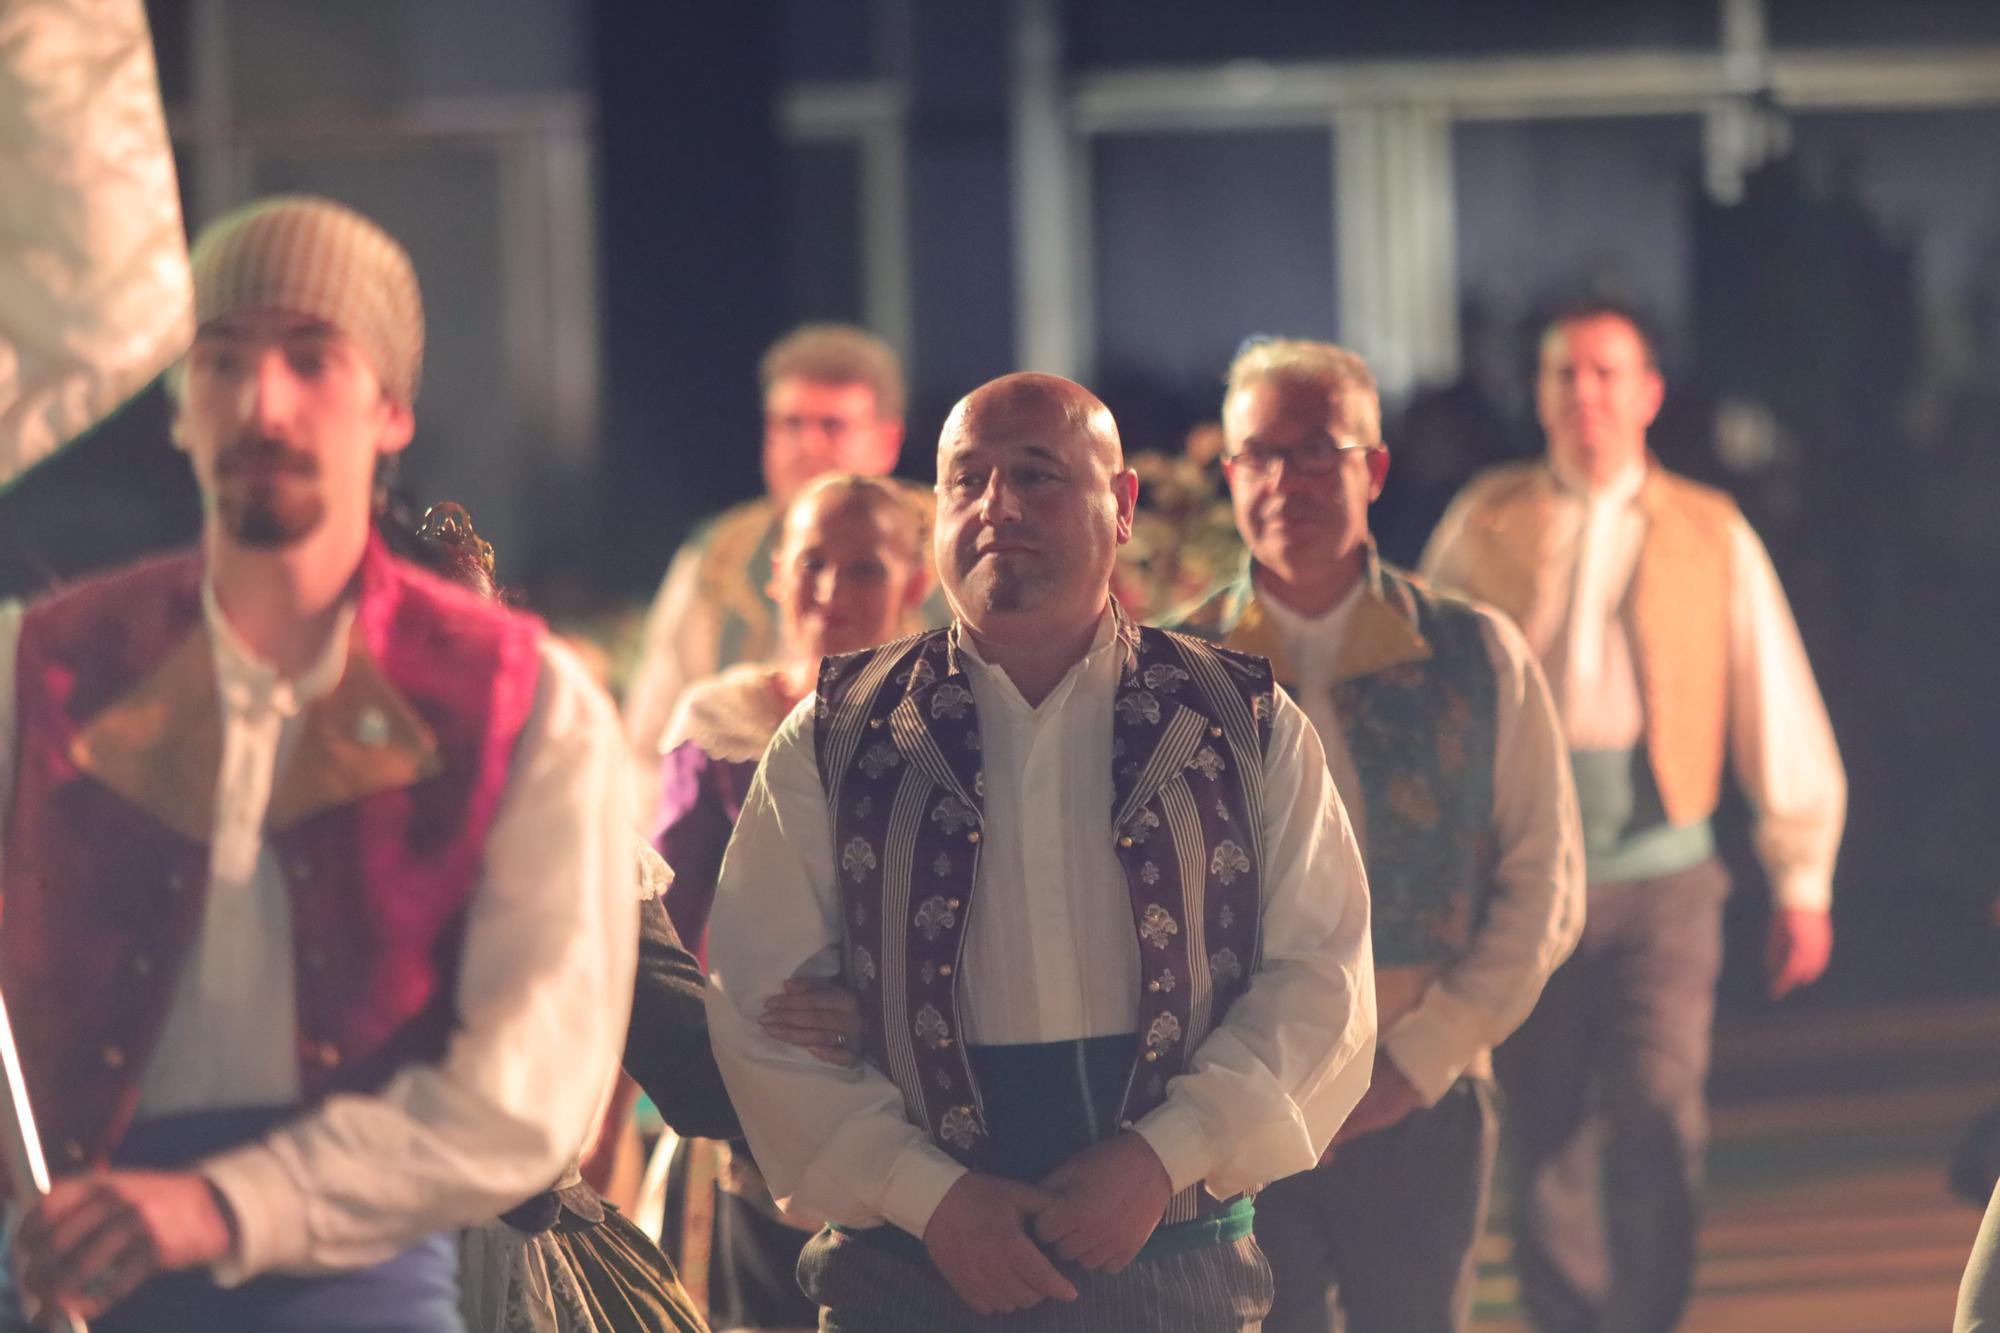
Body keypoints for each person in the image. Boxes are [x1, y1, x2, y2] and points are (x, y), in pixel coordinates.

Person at [1, 195, 636, 1332]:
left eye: (311, 358)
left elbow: (529, 1093)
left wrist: (225, 1204)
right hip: (55, 1281)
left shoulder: (527, 702)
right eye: (223, 359)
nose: (263, 403)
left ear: (389, 406)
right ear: (180, 405)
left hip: (356, 1294)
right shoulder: (41, 671)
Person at [703, 371, 1376, 1331]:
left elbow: (1325, 977)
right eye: (965, 479)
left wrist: (1163, 1157)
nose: (997, 507)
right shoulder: (837, 735)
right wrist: (928, 1196)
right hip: (908, 1278)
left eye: (1037, 474)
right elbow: (758, 1007)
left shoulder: (1240, 721)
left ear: (1124, 505)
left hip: (1172, 1269)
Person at [1420, 302, 1847, 1333]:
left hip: (1665, 877)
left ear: (1647, 392)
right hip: (1524, 878)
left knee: (1657, 1108)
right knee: (1545, 1127)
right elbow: (1421, 695)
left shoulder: (1709, 529)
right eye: (1564, 375)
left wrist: (1801, 876)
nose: (1585, 396)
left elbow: (1771, 695)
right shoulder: (1486, 517)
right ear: (1539, 393)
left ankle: (1646, 1317)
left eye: (1606, 374)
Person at [1172, 337, 1584, 1332]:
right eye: (1257, 457)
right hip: (1239, 1097)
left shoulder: (1470, 652)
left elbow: (1544, 881)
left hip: (1424, 1084)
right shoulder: (1174, 670)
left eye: (1316, 450)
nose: (1284, 481)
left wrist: (1420, 1057)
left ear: (1373, 466)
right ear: (1228, 475)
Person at [382, 501, 860, 1333]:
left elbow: (696, 1067)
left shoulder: (567, 837)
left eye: (477, 632)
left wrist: (851, 1030)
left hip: (511, 1260)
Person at [650, 473, 929, 1332]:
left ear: (915, 583)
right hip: (745, 1111)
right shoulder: (722, 718)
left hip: (908, 1105)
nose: (831, 591)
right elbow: (662, 915)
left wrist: (874, 1011)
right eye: (811, 563)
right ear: (776, 573)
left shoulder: (944, 721)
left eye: (865, 569)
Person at [623, 325, 919, 766]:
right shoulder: (717, 556)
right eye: (791, 424)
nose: (807, 445)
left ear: (887, 440)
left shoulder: (948, 544)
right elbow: (649, 743)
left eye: (832, 426)